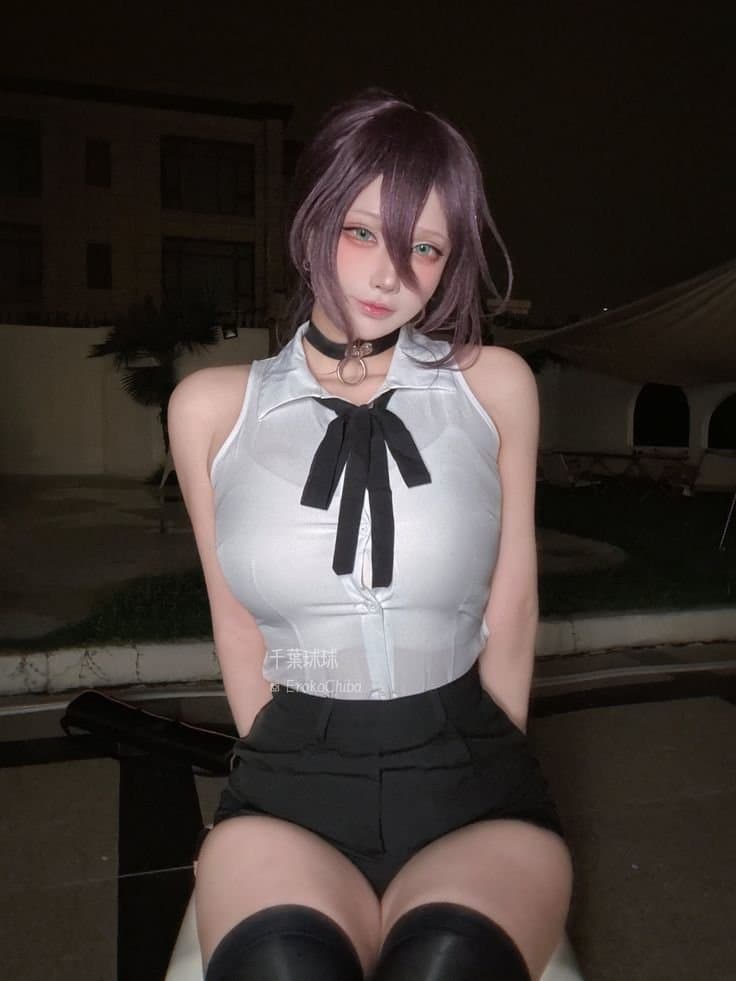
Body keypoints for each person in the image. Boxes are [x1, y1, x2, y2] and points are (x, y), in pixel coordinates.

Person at [168, 89, 573, 981]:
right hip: (291, 782)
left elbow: (513, 601)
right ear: (311, 221)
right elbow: (233, 620)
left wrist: (489, 753)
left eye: (424, 247)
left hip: (468, 767)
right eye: (362, 232)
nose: (391, 275)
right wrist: (286, 748)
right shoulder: (210, 409)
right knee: (282, 964)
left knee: (448, 962)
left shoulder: (495, 385)